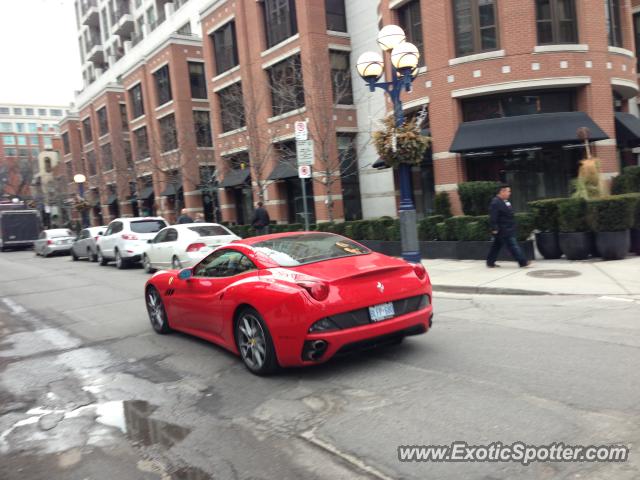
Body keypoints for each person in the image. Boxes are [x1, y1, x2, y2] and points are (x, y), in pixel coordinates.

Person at [486, 184, 530, 268]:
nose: (510, 193)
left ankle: (490, 262)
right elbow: (493, 216)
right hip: (503, 229)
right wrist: (494, 228)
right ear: (502, 191)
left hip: (507, 228)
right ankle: (523, 262)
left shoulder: (505, 201)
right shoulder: (495, 202)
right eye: (508, 191)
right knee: (513, 245)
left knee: (496, 246)